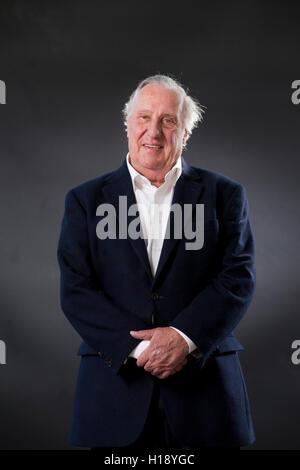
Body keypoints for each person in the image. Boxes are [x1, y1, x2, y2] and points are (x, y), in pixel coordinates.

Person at [57, 74, 256, 451]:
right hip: (113, 394)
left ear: (185, 133)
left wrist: (182, 339)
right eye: (144, 117)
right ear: (127, 125)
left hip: (207, 394)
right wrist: (143, 351)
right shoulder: (84, 200)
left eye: (168, 120)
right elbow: (76, 289)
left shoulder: (225, 195)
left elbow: (237, 278)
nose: (154, 131)